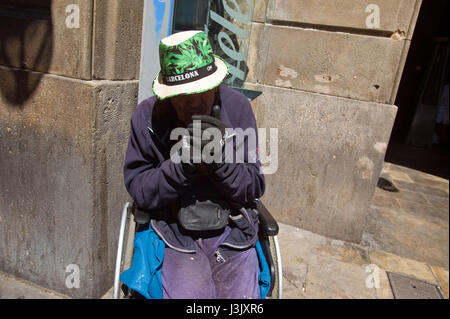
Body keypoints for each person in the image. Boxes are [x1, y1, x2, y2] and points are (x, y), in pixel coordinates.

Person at [123, 30, 265, 299]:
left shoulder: (238, 108)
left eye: (203, 92)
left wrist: (220, 162)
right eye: (183, 95)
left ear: (215, 85)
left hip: (230, 230)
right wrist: (181, 166)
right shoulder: (147, 116)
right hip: (174, 232)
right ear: (168, 94)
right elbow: (140, 189)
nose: (195, 103)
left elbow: (254, 185)